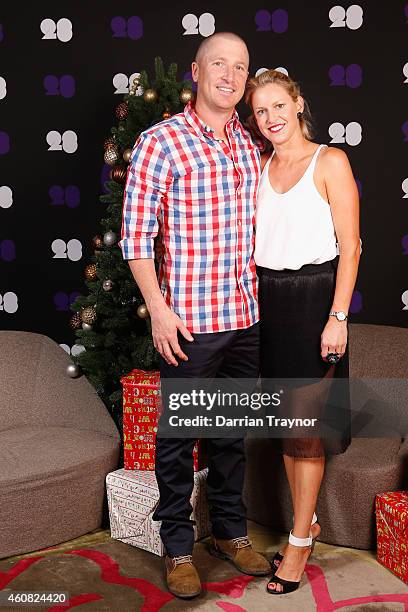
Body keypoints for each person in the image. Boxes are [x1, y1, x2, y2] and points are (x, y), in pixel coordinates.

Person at [119, 32, 270, 600]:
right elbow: (136, 238)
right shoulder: (161, 142)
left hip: (246, 316)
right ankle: (178, 547)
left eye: (240, 68)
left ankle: (231, 532)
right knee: (179, 439)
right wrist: (157, 309)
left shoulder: (251, 144)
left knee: (231, 434)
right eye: (219, 65)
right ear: (196, 71)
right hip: (189, 323)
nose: (230, 77)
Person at [245, 69, 360, 595]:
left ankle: (297, 543)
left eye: (277, 106)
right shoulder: (261, 165)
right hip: (267, 304)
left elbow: (351, 246)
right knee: (285, 432)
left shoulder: (330, 160)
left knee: (305, 432)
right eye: (260, 111)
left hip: (314, 300)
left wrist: (337, 318)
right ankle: (305, 524)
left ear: (298, 102)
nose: (270, 118)